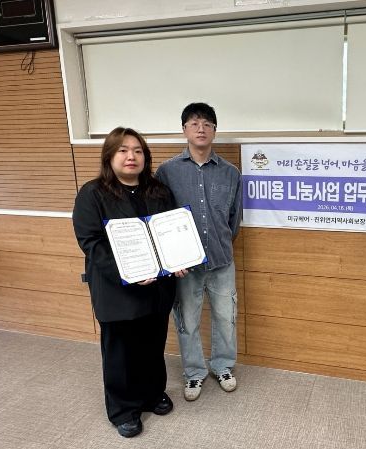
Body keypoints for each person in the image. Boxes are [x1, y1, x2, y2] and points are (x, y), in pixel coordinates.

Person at [73, 127, 179, 438]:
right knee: (120, 352)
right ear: (109, 156)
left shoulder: (159, 191)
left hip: (157, 286)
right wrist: (129, 272)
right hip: (117, 289)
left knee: (152, 344)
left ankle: (152, 394)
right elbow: (91, 242)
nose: (131, 156)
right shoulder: (92, 193)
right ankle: (123, 409)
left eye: (137, 150)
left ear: (146, 157)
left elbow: (171, 232)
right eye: (123, 150)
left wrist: (178, 260)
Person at [156, 102, 242, 402]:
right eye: (194, 123)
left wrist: (220, 243)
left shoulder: (230, 173)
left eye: (207, 123)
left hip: (221, 260)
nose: (201, 128)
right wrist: (172, 258)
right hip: (185, 266)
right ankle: (194, 372)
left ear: (215, 130)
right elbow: (160, 219)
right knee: (187, 321)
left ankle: (223, 366)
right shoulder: (167, 172)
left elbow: (234, 219)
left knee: (226, 318)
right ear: (184, 130)